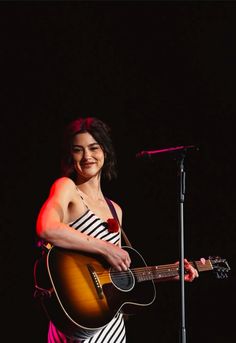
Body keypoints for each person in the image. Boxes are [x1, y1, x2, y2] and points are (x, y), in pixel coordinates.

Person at [34, 117, 198, 343]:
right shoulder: (67, 188)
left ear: (105, 152)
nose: (87, 156)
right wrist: (106, 249)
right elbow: (46, 227)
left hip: (109, 324)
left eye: (94, 148)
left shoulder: (115, 210)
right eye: (78, 150)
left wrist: (172, 273)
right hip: (77, 319)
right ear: (70, 156)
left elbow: (117, 276)